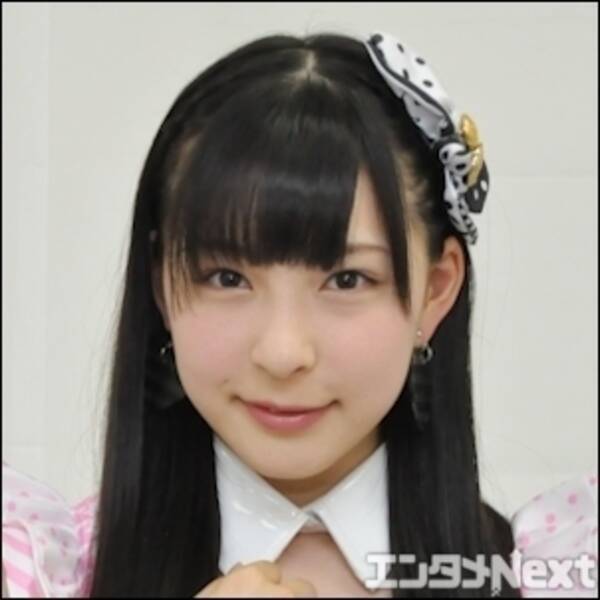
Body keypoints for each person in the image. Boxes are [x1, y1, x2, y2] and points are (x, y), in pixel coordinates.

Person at [2, 30, 597, 598]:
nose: (283, 353)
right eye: (227, 277)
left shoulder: (554, 574)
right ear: (161, 282)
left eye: (347, 279)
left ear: (435, 290)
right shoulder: (40, 572)